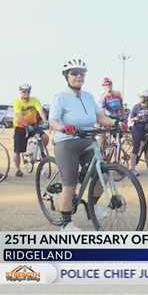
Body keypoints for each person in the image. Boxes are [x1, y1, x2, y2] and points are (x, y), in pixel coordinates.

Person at [49, 58, 122, 231]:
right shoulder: (60, 97)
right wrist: (63, 127)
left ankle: (92, 206)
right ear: (67, 76)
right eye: (74, 73)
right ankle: (65, 223)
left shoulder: (88, 97)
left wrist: (116, 123)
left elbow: (100, 117)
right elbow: (52, 121)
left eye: (81, 74)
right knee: (70, 182)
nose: (78, 77)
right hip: (66, 142)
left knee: (101, 174)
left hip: (88, 140)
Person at [12, 83, 49, 177]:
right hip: (20, 127)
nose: (26, 93)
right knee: (17, 150)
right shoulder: (17, 101)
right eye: (23, 91)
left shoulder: (34, 100)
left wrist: (45, 121)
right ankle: (17, 169)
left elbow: (40, 110)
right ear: (20, 92)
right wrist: (26, 125)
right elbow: (19, 115)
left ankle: (41, 152)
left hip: (33, 125)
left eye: (27, 91)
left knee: (45, 137)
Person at [129, 90, 148, 176]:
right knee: (136, 147)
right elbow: (131, 118)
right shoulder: (136, 107)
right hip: (137, 128)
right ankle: (132, 169)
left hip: (147, 128)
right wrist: (137, 118)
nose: (140, 98)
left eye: (141, 97)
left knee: (147, 149)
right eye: (140, 97)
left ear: (146, 98)